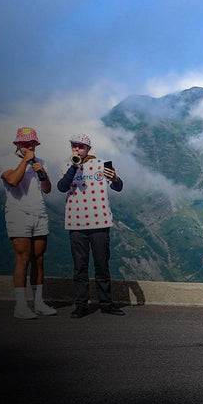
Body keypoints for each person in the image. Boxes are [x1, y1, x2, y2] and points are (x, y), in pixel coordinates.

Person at [57, 133, 125, 318]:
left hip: (100, 222)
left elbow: (118, 187)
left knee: (102, 265)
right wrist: (74, 166)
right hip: (76, 224)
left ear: (88, 149)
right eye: (74, 146)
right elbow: (62, 187)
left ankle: (106, 303)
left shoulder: (101, 164)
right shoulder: (66, 165)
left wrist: (116, 178)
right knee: (80, 267)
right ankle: (81, 305)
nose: (76, 149)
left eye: (80, 146)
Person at [0, 126, 56, 319]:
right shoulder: (4, 161)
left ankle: (38, 302)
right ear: (17, 144)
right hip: (18, 213)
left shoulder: (41, 162)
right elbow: (13, 180)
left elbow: (47, 189)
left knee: (39, 259)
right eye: (24, 143)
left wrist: (43, 172)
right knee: (23, 258)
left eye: (31, 143)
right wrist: (25, 160)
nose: (28, 146)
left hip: (39, 212)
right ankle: (20, 305)